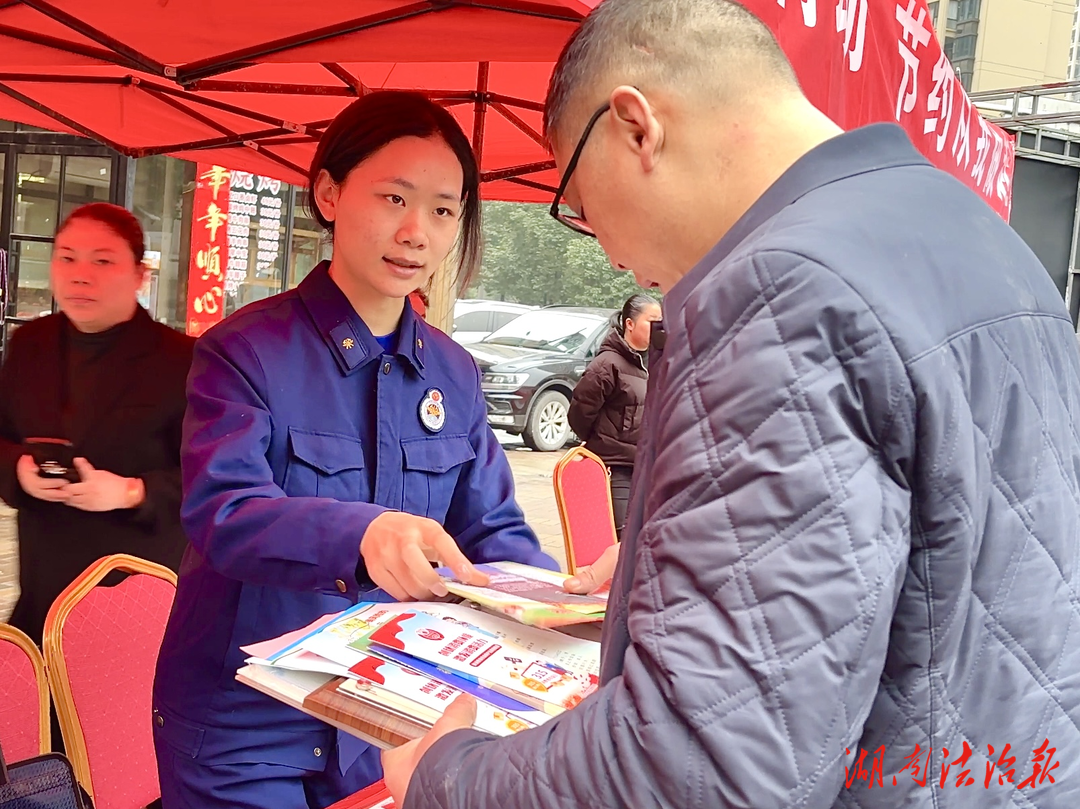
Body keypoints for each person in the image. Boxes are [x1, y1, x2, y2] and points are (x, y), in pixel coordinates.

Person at [382, 2, 1080, 807]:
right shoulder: (982, 236)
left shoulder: (783, 289)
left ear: (635, 127)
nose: (606, 247)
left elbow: (701, 767)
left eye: (576, 204)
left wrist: (450, 776)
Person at [151, 90, 556, 809]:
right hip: (242, 728)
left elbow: (490, 533)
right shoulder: (244, 352)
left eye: (442, 209)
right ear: (330, 193)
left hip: (388, 720)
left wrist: (562, 605)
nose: (417, 232)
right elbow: (226, 511)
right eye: (394, 197)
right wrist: (361, 533)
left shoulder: (454, 375)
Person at [0, 202, 193, 645]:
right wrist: (19, 471)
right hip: (44, 586)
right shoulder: (30, 345)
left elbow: (211, 479)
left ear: (140, 275)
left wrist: (130, 491)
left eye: (103, 261)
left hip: (136, 593)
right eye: (66, 257)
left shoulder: (184, 360)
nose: (80, 274)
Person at [567, 293, 660, 538]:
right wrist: (600, 441)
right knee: (622, 537)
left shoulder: (656, 362)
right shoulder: (607, 364)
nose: (658, 327)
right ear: (629, 324)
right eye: (652, 321)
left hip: (646, 464)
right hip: (616, 466)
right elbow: (580, 411)